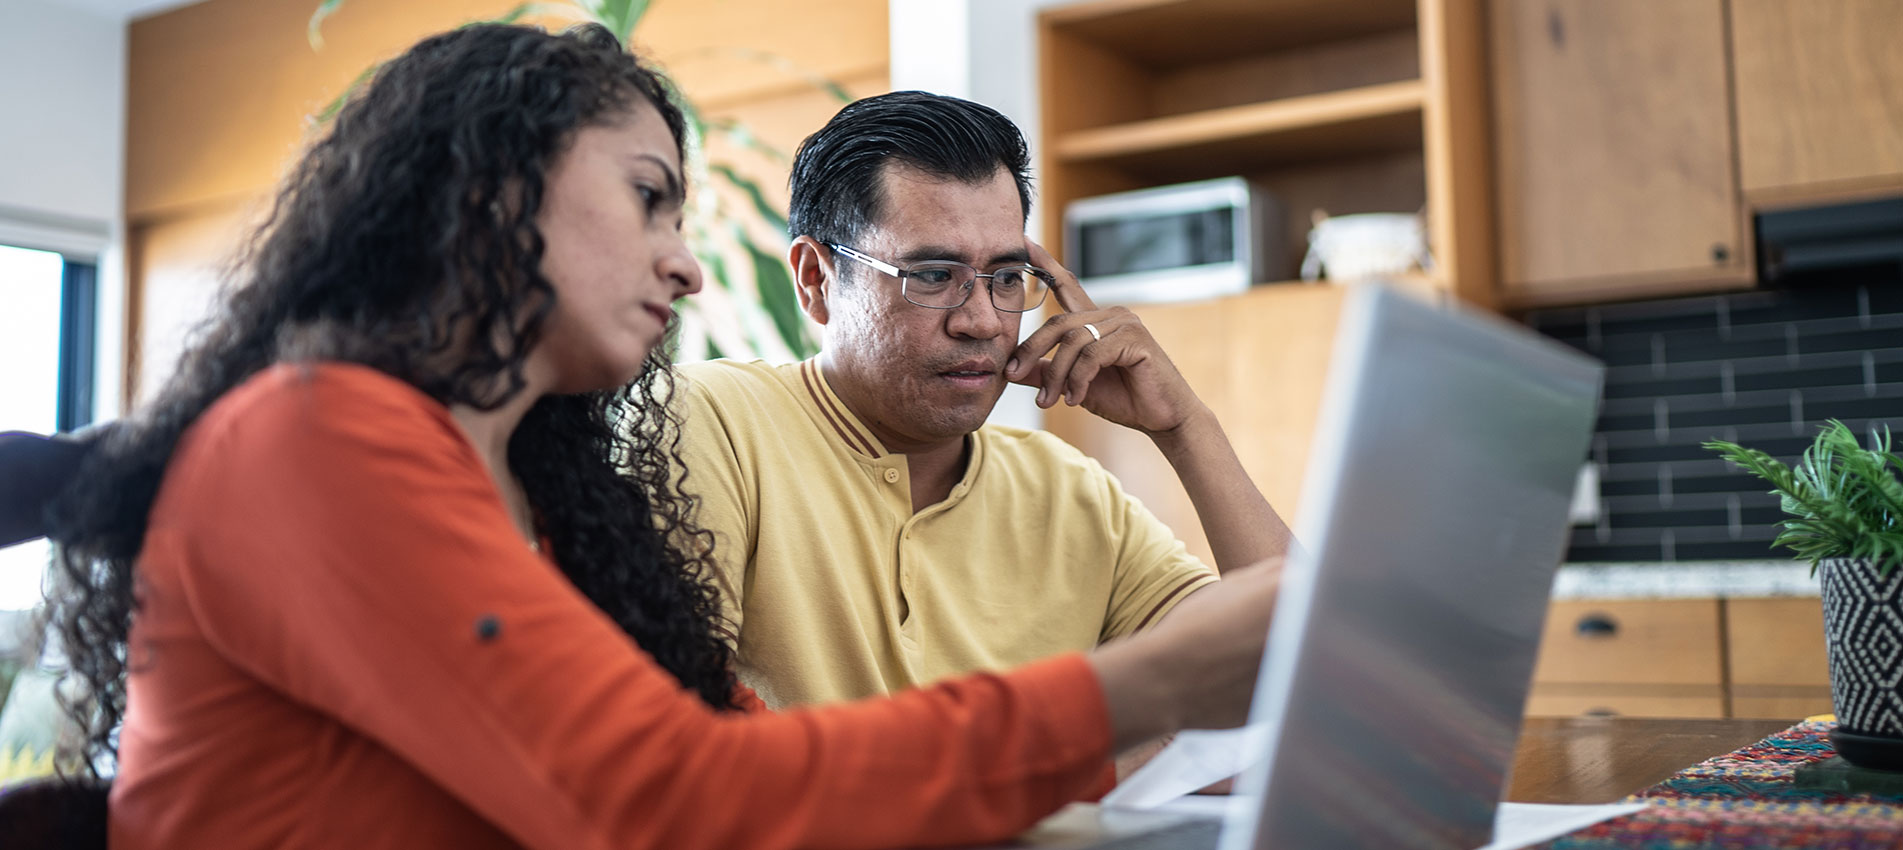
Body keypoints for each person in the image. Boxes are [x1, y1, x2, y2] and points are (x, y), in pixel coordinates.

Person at [40, 23, 1279, 850]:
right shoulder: (322, 441)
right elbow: (666, 793)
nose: (687, 264)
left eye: (1007, 276)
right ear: (490, 194)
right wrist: (1149, 683)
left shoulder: (533, 484)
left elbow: (740, 750)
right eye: (647, 199)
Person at [673, 91, 1293, 709]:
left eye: (1004, 278)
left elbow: (1297, 670)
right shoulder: (714, 422)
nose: (983, 321)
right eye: (934, 275)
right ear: (817, 280)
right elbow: (678, 745)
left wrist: (1186, 428)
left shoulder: (1068, 493)